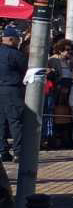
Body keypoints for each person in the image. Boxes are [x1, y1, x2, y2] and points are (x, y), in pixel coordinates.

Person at [0, 25, 26, 161]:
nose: (19, 42)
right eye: (17, 39)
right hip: (12, 89)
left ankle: (3, 151)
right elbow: (25, 69)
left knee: (1, 122)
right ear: (11, 39)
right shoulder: (15, 54)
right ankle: (18, 152)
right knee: (16, 121)